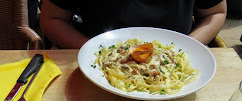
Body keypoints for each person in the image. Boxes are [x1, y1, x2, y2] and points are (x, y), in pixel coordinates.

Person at [40, 0, 227, 49]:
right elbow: (52, 19)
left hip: (176, 75)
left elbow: (215, 12)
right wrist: (96, 52)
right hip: (92, 68)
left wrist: (185, 48)